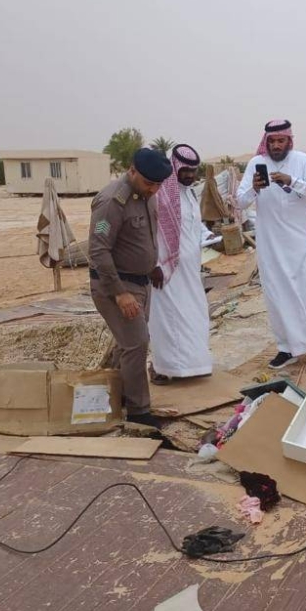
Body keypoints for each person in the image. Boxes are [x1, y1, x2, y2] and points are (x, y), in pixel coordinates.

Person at [88, 147, 172, 426]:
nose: (154, 189)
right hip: (116, 285)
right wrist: (120, 293)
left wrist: (152, 265)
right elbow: (98, 250)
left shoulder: (147, 195)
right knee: (137, 343)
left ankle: (113, 396)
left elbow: (143, 237)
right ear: (131, 170)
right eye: (149, 183)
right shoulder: (111, 201)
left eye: (159, 184)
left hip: (140, 283)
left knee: (127, 344)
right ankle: (139, 413)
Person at [237, 119, 306, 369]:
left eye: (281, 140)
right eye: (272, 141)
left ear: (289, 140)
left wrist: (292, 181)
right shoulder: (256, 163)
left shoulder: (303, 160)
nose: (276, 145)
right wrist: (254, 189)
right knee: (277, 294)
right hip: (271, 243)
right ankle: (285, 348)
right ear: (266, 142)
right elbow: (240, 202)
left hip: (300, 240)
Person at [148, 144, 213, 384]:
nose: (189, 175)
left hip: (190, 269)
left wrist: (207, 235)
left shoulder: (190, 193)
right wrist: (154, 264)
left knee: (194, 314)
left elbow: (194, 225)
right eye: (184, 170)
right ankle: (164, 368)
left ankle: (194, 365)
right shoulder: (160, 195)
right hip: (165, 271)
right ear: (174, 167)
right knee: (168, 320)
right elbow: (150, 233)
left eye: (193, 171)